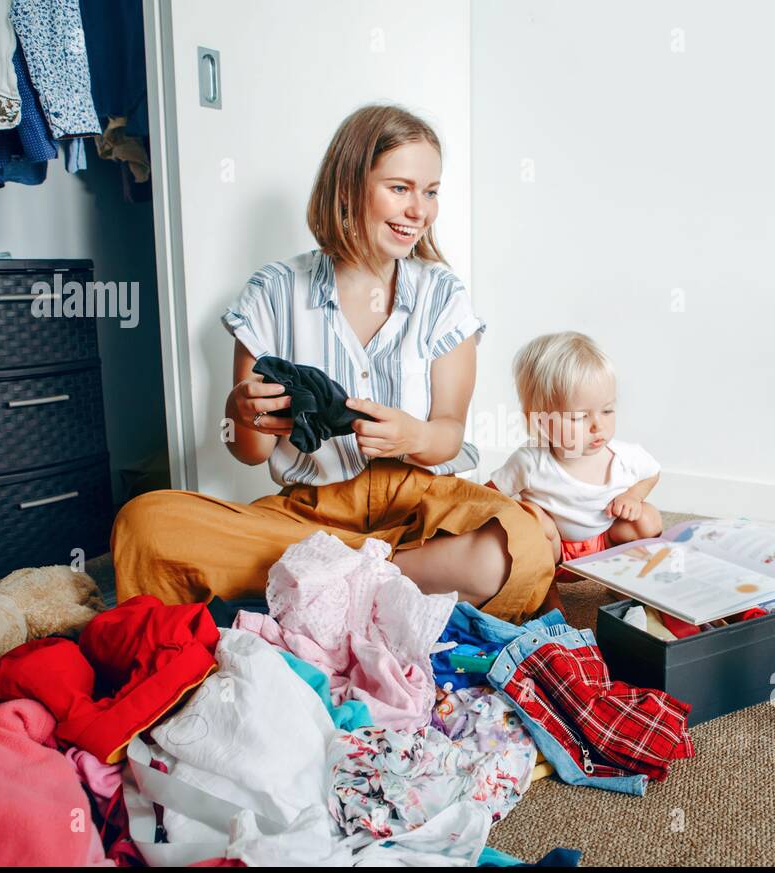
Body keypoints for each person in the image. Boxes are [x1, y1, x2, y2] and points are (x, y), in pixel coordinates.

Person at [111, 104, 554, 622]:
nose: (420, 210)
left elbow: (449, 434)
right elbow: (249, 453)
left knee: (521, 541)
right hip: (308, 516)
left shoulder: (443, 295)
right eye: (400, 188)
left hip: (419, 511)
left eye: (431, 191)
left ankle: (318, 586)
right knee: (146, 523)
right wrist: (242, 409)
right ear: (348, 185)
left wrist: (413, 436)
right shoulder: (273, 291)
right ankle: (373, 585)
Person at [487, 332, 663, 575]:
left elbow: (652, 473)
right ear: (540, 421)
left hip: (608, 547)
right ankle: (545, 593)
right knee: (530, 515)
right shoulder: (530, 461)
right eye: (580, 417)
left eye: (608, 411)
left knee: (648, 518)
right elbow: (488, 496)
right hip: (555, 554)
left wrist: (634, 496)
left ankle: (627, 585)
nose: (597, 426)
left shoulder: (624, 457)